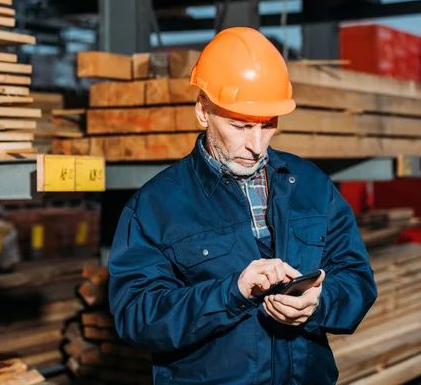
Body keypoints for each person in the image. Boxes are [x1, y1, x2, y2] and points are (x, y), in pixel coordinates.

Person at [107, 27, 377, 385]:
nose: (256, 144)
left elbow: (357, 280)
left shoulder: (312, 186)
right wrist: (231, 292)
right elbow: (137, 318)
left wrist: (318, 303)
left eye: (268, 125)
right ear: (203, 111)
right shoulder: (155, 206)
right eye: (240, 125)